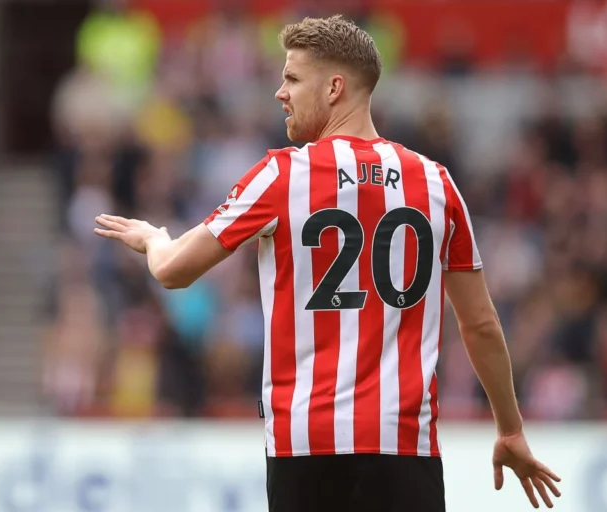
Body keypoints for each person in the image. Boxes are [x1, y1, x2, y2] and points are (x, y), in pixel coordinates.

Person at [94, 14, 562, 512]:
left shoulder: (280, 176)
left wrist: (154, 239)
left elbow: (173, 270)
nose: (280, 93)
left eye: (293, 78)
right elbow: (481, 324)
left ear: (334, 87)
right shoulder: (436, 184)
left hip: (305, 445)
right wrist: (510, 429)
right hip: (404, 446)